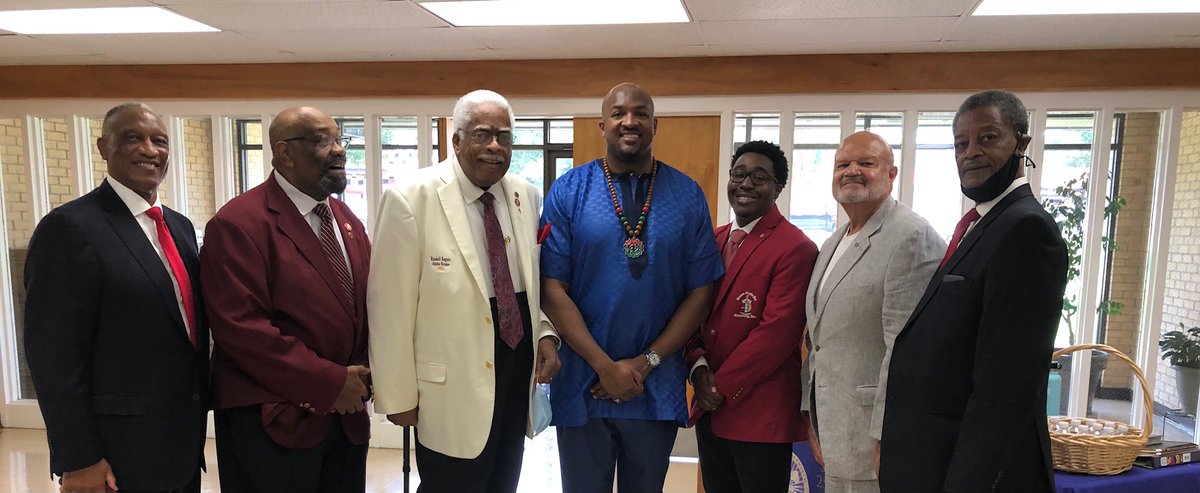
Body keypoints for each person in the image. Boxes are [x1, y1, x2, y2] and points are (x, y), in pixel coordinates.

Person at [367, 89, 561, 493]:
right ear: (456, 140)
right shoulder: (411, 198)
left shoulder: (524, 193)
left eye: (504, 137)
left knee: (502, 480)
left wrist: (543, 332)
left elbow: (527, 283)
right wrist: (397, 395)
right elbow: (389, 308)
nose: (494, 146)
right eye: (482, 134)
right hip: (451, 381)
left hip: (515, 368)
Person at [880, 90, 1068, 493]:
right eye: (961, 144)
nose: (971, 153)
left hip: (971, 475)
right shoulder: (980, 225)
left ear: (1021, 143)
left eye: (988, 138)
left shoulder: (1026, 230)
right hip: (933, 460)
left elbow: (1006, 386)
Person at [540, 82, 724, 493]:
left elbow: (700, 293)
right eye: (619, 113)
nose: (630, 121)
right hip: (583, 384)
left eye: (640, 113)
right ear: (601, 125)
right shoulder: (569, 191)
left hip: (654, 386)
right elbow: (552, 287)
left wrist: (644, 363)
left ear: (655, 125)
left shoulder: (687, 195)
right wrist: (605, 366)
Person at [24, 102, 208, 493]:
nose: (149, 150)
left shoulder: (180, 227)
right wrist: (78, 458)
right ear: (103, 148)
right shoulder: (70, 228)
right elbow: (54, 356)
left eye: (159, 141)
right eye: (132, 139)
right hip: (114, 451)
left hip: (180, 441)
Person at [201, 106, 372, 493]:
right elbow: (243, 330)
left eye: (339, 139)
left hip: (344, 421)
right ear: (284, 152)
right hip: (274, 424)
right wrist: (330, 382)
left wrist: (363, 374)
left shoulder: (345, 218)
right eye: (322, 141)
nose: (339, 151)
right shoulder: (239, 224)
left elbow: (365, 307)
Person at [801, 131, 944, 493]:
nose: (852, 171)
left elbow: (909, 355)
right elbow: (820, 343)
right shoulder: (834, 242)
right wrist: (812, 417)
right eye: (843, 164)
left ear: (891, 174)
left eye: (866, 163)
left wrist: (889, 438)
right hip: (835, 431)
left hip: (877, 441)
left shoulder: (911, 236)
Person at [685, 140, 818, 493]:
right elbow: (691, 311)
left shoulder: (795, 248)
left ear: (778, 188)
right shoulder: (712, 241)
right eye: (739, 174)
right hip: (711, 406)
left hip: (759, 411)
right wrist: (697, 369)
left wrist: (718, 387)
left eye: (759, 177)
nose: (745, 184)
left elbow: (776, 334)